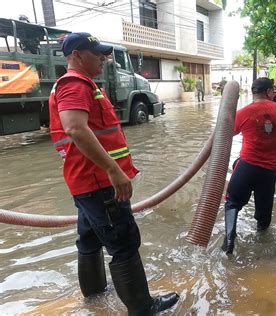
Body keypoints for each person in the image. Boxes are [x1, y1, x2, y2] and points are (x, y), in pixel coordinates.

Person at [48, 32, 179, 314]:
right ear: (77, 56)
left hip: (85, 181)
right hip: (99, 181)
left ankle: (94, 294)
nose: (104, 59)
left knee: (90, 237)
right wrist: (113, 170)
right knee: (124, 241)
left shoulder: (79, 85)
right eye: (98, 54)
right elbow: (75, 128)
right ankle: (143, 308)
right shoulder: (75, 84)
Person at [221, 78, 276, 255]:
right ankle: (263, 248)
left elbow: (224, 136)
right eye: (273, 91)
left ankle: (229, 241)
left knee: (232, 203)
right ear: (268, 91)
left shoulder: (244, 113)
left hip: (246, 167)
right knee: (264, 214)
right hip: (269, 172)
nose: (274, 94)